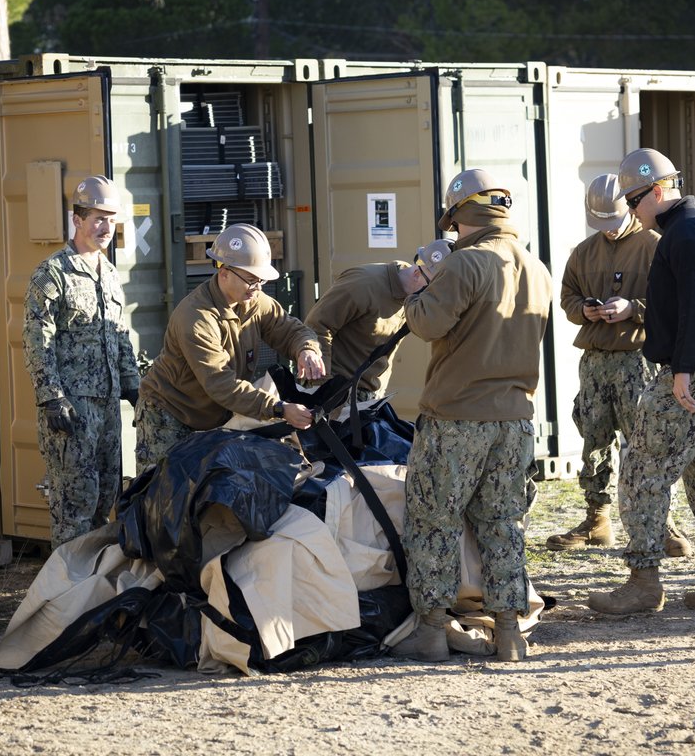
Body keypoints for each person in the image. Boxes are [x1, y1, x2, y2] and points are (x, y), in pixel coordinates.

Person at [390, 168, 552, 663]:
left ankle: (432, 631)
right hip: (515, 420)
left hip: (458, 417)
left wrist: (421, 288)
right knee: (503, 524)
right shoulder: (536, 267)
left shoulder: (466, 265)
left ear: (460, 215)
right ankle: (508, 632)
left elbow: (423, 322)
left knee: (434, 520)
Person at [586, 148, 695, 617]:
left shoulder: (688, 232)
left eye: (635, 200)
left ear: (658, 191)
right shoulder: (688, 229)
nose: (631, 211)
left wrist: (682, 371)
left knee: (641, 468)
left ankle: (643, 581)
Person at [545, 173, 694, 556]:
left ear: (628, 209)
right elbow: (567, 298)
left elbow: (675, 303)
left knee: (648, 442)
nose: (608, 232)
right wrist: (586, 311)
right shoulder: (583, 252)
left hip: (638, 360)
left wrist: (634, 310)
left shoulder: (655, 245)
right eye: (601, 225)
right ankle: (597, 519)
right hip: (595, 360)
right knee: (594, 439)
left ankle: (663, 524)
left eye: (613, 222)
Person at [136, 223, 325, 473]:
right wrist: (278, 409)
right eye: (251, 280)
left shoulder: (255, 301)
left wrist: (306, 350)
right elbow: (221, 384)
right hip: (169, 416)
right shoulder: (196, 317)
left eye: (261, 280)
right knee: (163, 497)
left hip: (215, 416)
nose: (258, 287)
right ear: (223, 272)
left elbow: (289, 330)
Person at [22, 175, 140, 549]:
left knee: (107, 493)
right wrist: (51, 397)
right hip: (71, 408)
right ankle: (65, 590)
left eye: (111, 219)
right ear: (77, 220)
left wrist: (133, 384)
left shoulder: (108, 272)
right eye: (97, 218)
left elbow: (119, 334)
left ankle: (91, 587)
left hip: (106, 406)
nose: (106, 227)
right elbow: (36, 339)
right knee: (75, 500)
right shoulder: (52, 273)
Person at [304, 245, 442, 402]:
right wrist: (322, 388)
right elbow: (317, 326)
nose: (436, 295)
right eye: (434, 287)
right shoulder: (363, 283)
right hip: (337, 391)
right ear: (417, 273)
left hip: (370, 396)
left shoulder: (412, 297)